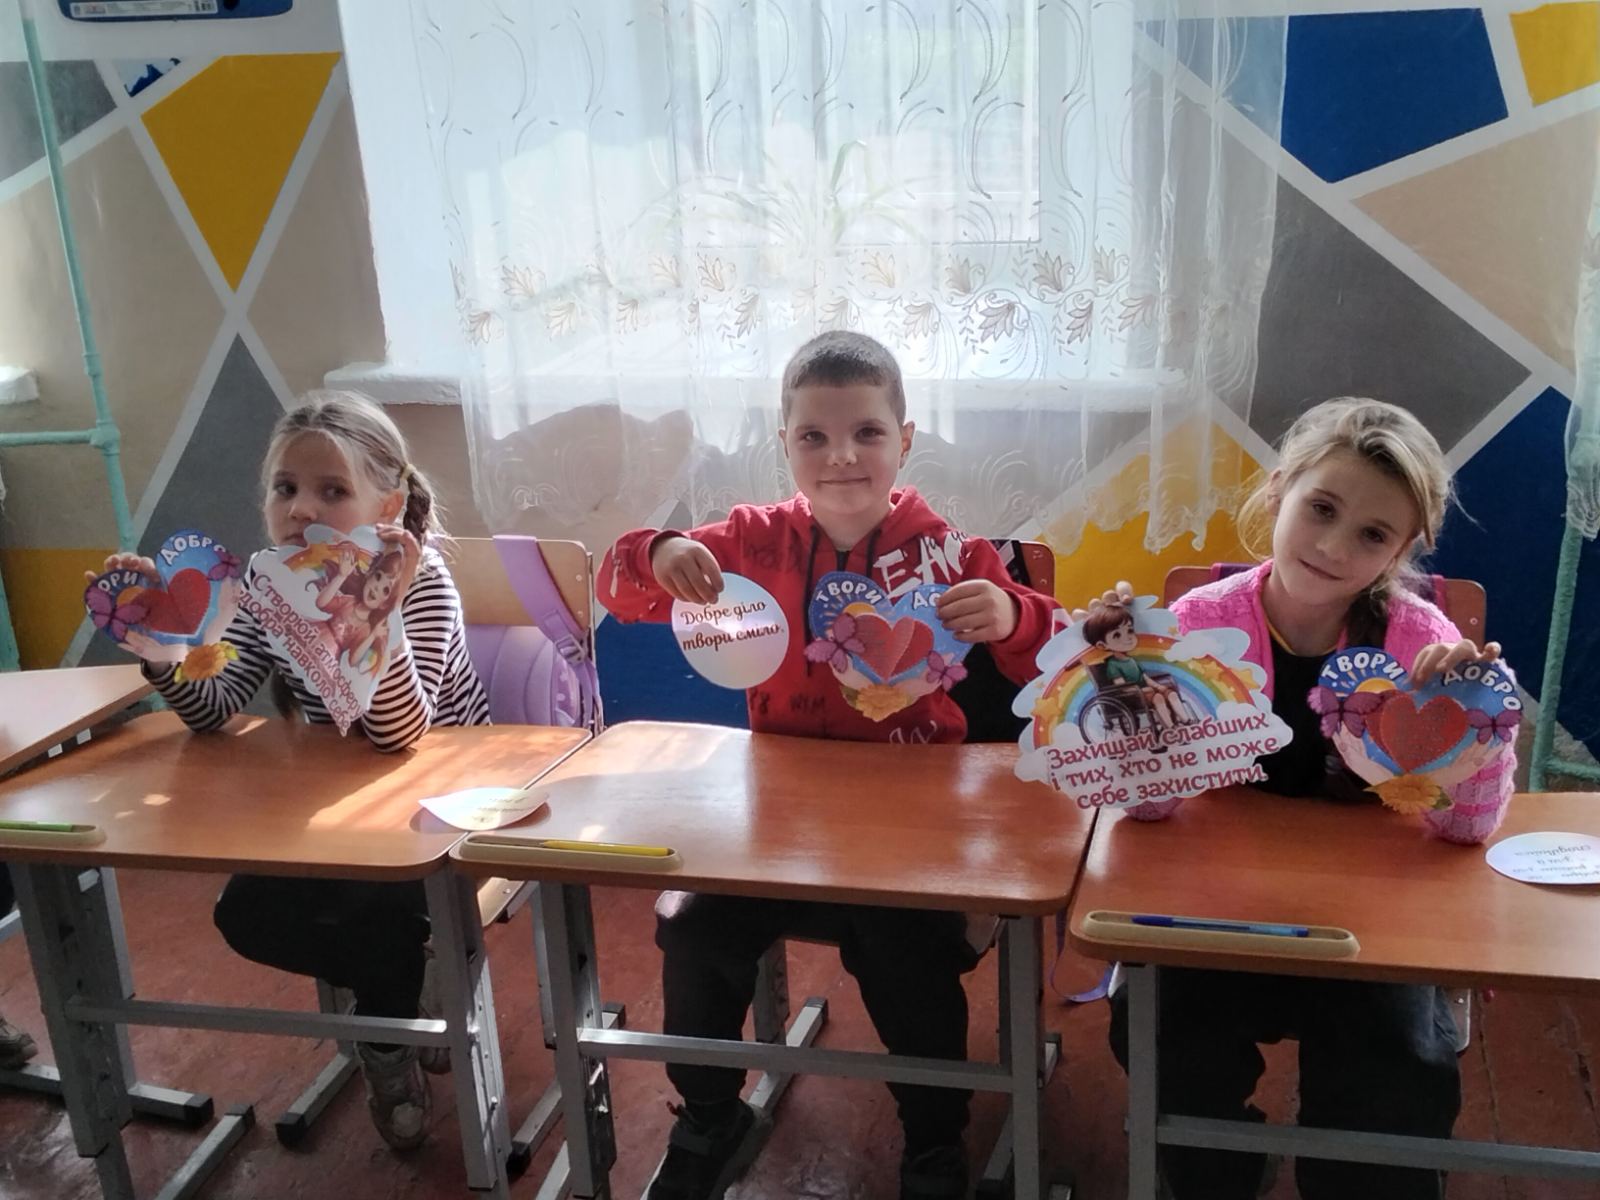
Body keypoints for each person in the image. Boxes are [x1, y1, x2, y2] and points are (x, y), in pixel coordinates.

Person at [599, 330, 1062, 1200]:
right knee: (694, 930)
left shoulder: (954, 554)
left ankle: (934, 1137)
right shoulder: (749, 542)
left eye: (867, 433)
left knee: (904, 955)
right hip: (774, 827)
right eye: (814, 436)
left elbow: (1056, 664)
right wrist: (658, 550)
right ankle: (710, 1112)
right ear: (785, 444)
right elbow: (620, 593)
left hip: (911, 834)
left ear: (905, 440)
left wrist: (1013, 615)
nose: (842, 456)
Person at [1080, 397, 1514, 1200]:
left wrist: (1478, 728)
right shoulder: (1195, 627)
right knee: (1164, 1038)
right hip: (1219, 912)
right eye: (1321, 508)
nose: (1334, 546)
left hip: (1371, 928)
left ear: (1401, 550)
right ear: (1278, 490)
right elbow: (1147, 811)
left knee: (1398, 1073)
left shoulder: (1420, 643)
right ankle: (1220, 1172)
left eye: (1373, 535)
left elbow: (1466, 829)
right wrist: (1135, 712)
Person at [90, 390, 490, 1151]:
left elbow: (398, 736)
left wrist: (374, 618)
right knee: (249, 915)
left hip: (440, 812)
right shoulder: (270, 584)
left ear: (387, 505)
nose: (301, 508)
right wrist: (164, 653)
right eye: (285, 488)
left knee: (383, 908)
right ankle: (400, 995)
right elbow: (217, 705)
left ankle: (388, 1030)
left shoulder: (423, 582)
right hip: (335, 809)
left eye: (331, 491)